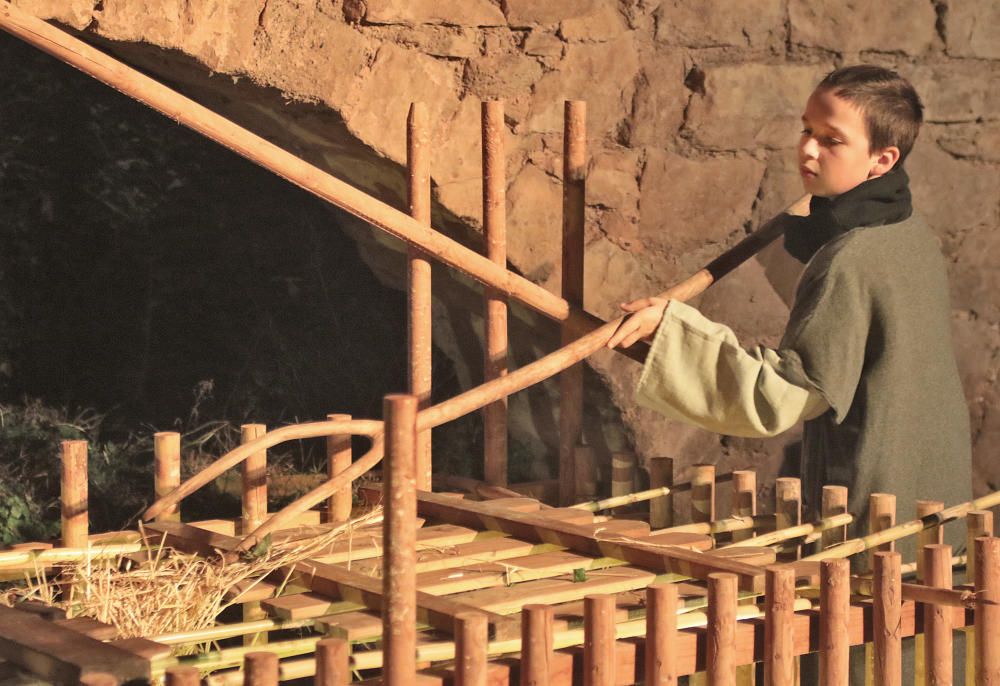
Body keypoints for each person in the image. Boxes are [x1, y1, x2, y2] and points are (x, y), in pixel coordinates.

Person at [608, 64, 972, 555]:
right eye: (807, 130)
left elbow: (789, 391)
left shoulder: (852, 258)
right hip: (932, 494)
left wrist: (669, 334)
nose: (807, 149)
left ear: (882, 160)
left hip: (876, 505)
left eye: (831, 140)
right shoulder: (906, 228)